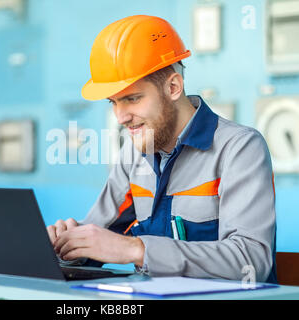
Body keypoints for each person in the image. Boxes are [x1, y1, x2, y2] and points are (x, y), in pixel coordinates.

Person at [47, 15, 277, 283]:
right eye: (113, 102)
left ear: (173, 87)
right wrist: (69, 246)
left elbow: (251, 262)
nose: (121, 117)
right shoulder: (133, 156)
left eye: (132, 98)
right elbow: (98, 239)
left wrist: (137, 250)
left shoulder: (239, 149)